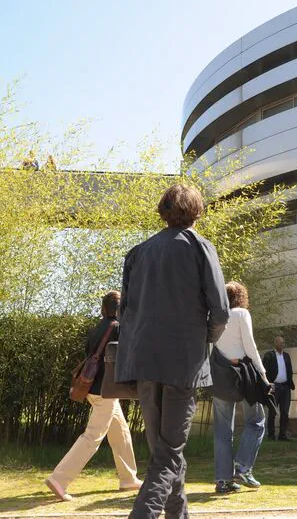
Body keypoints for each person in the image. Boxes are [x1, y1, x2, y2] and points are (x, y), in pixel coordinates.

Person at [117, 184, 230, 519]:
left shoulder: (138, 253)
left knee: (164, 454)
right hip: (183, 363)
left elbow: (125, 313)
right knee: (167, 457)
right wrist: (204, 339)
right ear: (196, 211)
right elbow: (221, 312)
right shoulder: (200, 248)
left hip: (144, 363)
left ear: (163, 211)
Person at [46, 291, 143, 501]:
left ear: (104, 308)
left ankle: (128, 478)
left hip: (93, 389)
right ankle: (59, 479)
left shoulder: (96, 328)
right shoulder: (118, 328)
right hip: (105, 392)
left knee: (121, 432)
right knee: (92, 437)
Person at [210, 281, 269, 494]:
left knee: (222, 430)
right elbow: (250, 345)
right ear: (242, 297)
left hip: (220, 376)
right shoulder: (241, 314)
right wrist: (262, 373)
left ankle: (223, 480)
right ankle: (243, 467)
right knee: (257, 421)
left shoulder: (214, 316)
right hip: (244, 375)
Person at [262, 336, 294, 441]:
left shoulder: (286, 355)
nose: (282, 344)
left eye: (283, 342)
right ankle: (271, 434)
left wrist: (290, 383)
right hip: (274, 387)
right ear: (275, 343)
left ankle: (282, 435)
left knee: (285, 412)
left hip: (285, 387)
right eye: (280, 342)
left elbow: (290, 370)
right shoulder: (269, 355)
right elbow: (264, 371)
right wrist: (268, 384)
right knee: (272, 411)